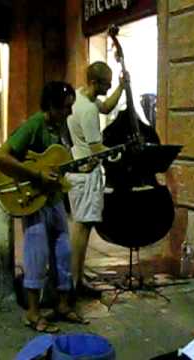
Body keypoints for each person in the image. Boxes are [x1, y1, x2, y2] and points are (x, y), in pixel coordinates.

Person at [0, 81, 88, 333]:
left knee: (64, 252)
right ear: (51, 107)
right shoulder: (35, 125)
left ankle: (62, 305)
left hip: (54, 198)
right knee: (36, 254)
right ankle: (32, 313)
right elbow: (1, 157)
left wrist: (80, 166)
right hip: (33, 199)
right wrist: (36, 176)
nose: (69, 113)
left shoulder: (61, 127)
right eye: (65, 108)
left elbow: (58, 161)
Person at [66, 61, 125, 296]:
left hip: (77, 171)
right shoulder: (88, 110)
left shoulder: (80, 96)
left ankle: (76, 278)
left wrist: (122, 86)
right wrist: (118, 153)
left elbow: (107, 107)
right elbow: (96, 148)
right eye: (106, 85)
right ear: (94, 82)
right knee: (81, 229)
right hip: (86, 174)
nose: (108, 90)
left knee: (81, 227)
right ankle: (75, 282)